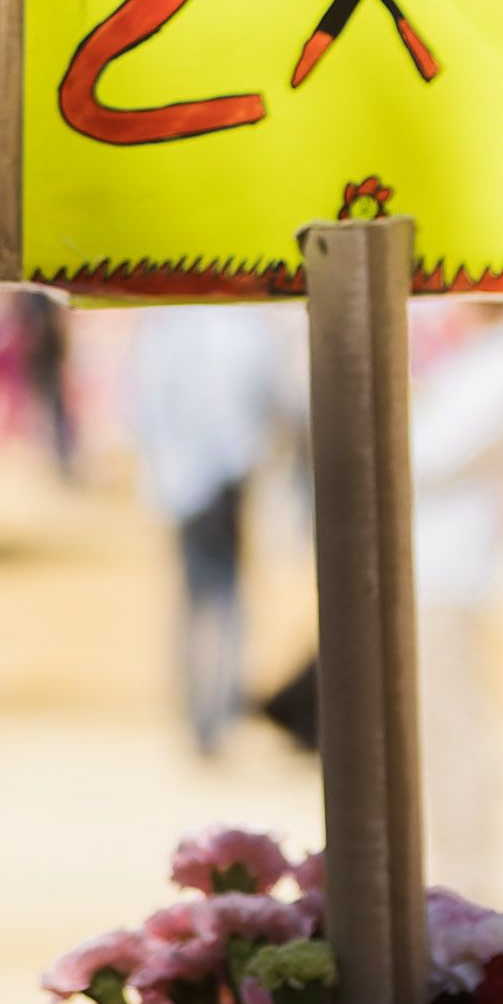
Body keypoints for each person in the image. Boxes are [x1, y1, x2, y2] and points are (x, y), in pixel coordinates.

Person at [413, 307, 503, 894]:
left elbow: (428, 450)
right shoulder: (477, 352)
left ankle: (469, 882)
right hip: (427, 564)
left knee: (453, 730)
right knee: (429, 733)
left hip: (447, 570)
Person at [126, 301, 304, 758]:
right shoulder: (242, 326)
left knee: (201, 596)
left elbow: (143, 403)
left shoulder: (169, 325)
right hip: (217, 474)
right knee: (220, 595)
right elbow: (277, 402)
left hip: (195, 477)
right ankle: (212, 710)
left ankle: (204, 711)